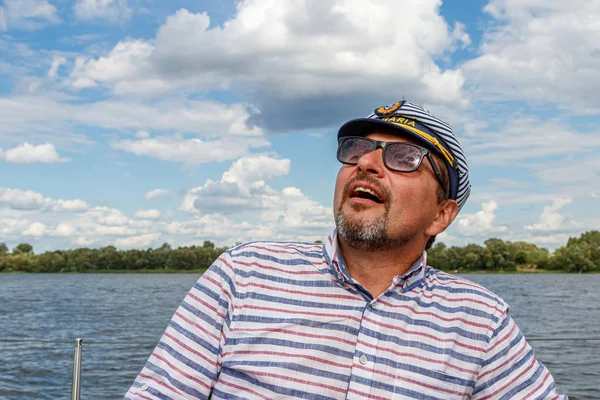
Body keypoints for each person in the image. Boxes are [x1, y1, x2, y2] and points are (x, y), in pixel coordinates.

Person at [125, 100, 567, 399]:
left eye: (403, 158)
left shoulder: (478, 320)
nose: (366, 163)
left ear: (441, 215)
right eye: (357, 149)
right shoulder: (243, 275)